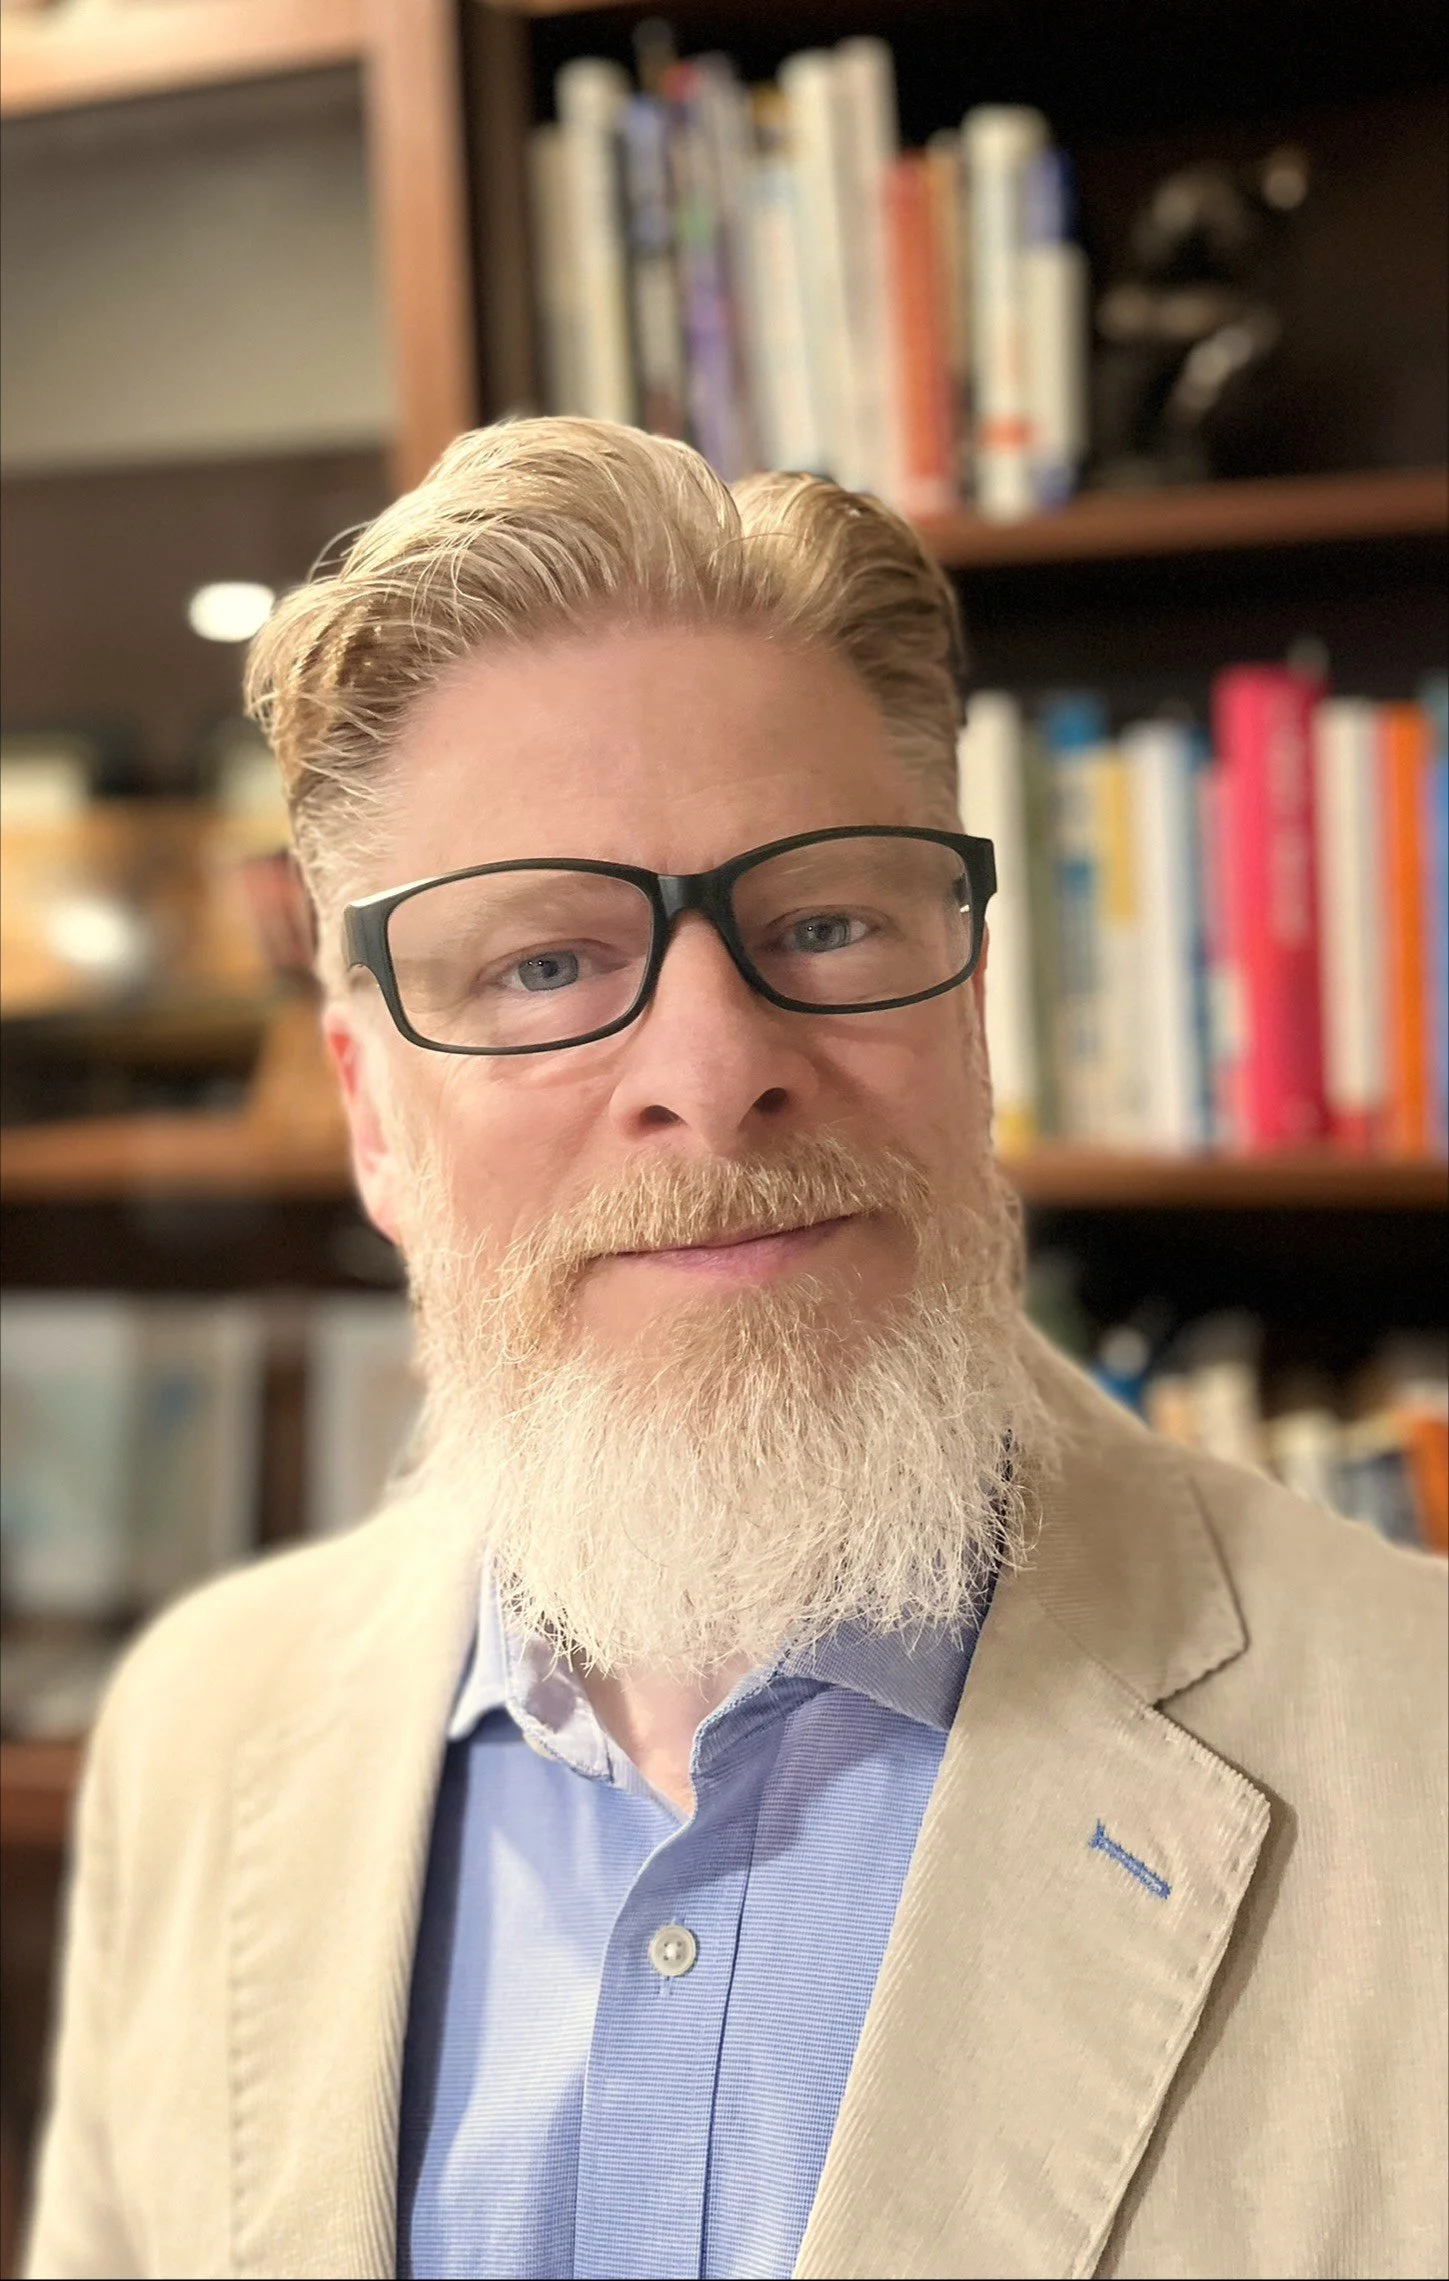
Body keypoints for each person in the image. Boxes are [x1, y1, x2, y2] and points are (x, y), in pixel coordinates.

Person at [25, 422, 1446, 2281]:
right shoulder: (197, 1739)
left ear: (975, 1008)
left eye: (828, 923)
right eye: (542, 965)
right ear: (374, 1114)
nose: (712, 1075)